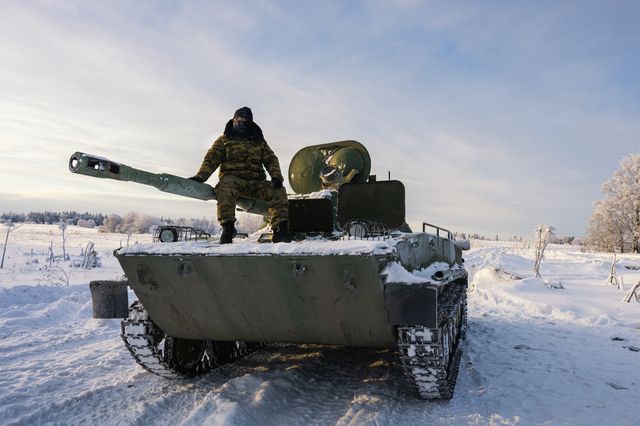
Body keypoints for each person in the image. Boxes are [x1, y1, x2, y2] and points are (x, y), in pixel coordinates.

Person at [189, 107, 291, 244]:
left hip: (256, 183)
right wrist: (201, 176)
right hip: (234, 179)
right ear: (233, 120)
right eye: (237, 120)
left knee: (278, 191)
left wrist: (276, 177)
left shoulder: (259, 141)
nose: (240, 123)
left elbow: (271, 159)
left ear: (250, 123)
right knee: (225, 187)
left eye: (244, 121)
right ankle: (228, 228)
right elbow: (211, 159)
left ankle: (280, 231)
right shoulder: (224, 140)